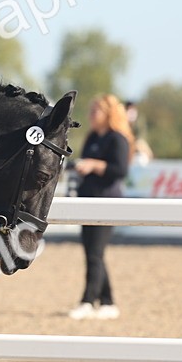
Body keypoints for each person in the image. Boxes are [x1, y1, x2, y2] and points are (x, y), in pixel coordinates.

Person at [68, 94, 133, 320]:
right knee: (93, 252)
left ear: (108, 114)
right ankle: (108, 301)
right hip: (88, 199)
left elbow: (120, 170)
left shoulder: (118, 139)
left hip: (108, 202)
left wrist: (94, 165)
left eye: (96, 110)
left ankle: (88, 300)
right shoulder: (92, 137)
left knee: (95, 253)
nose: (92, 114)